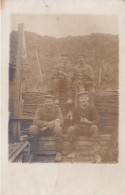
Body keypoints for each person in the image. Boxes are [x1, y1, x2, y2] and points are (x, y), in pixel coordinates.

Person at [28, 94, 63, 162]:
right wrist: (47, 124)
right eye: (47, 102)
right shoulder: (40, 108)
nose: (48, 103)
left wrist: (49, 125)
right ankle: (33, 152)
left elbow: (60, 121)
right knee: (32, 128)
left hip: (53, 131)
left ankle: (58, 152)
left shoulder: (57, 108)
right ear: (44, 102)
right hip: (42, 130)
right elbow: (35, 121)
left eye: (50, 101)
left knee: (58, 129)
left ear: (53, 102)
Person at [67, 91, 99, 159]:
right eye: (81, 98)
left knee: (95, 127)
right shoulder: (76, 108)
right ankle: (75, 150)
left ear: (88, 99)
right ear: (79, 100)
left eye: (85, 98)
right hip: (79, 128)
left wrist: (89, 122)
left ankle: (96, 153)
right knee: (71, 129)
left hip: (89, 129)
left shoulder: (92, 108)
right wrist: (70, 118)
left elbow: (97, 121)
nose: (83, 100)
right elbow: (73, 122)